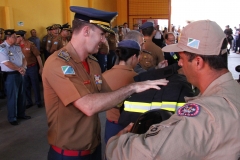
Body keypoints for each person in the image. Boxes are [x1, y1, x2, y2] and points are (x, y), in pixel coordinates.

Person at [42, 6, 168, 160]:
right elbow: (88, 106)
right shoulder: (57, 64)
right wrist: (132, 87)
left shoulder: (93, 63)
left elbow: (111, 98)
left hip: (94, 149)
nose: (103, 40)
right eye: (101, 34)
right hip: (68, 155)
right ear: (86, 31)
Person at [106, 20, 240, 159]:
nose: (179, 63)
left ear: (198, 62)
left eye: (181, 58)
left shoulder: (205, 116)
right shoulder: (233, 91)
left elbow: (146, 154)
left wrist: (115, 143)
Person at [103, 40, 140, 143]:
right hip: (130, 126)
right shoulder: (137, 78)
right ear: (134, 57)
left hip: (110, 125)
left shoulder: (105, 75)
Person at [0, 29, 31, 126]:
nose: (17, 38)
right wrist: (19, 69)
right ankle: (12, 117)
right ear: (8, 38)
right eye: (14, 37)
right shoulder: (2, 48)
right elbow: (6, 63)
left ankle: (21, 114)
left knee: (22, 95)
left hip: (20, 73)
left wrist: (24, 67)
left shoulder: (16, 47)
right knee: (13, 96)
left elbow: (23, 58)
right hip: (11, 75)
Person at [16, 30, 43, 108]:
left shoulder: (30, 44)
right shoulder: (16, 46)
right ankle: (29, 102)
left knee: (35, 85)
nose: (15, 39)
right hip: (23, 69)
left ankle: (38, 101)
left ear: (21, 37)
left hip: (32, 67)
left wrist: (41, 67)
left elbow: (38, 56)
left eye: (17, 37)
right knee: (26, 86)